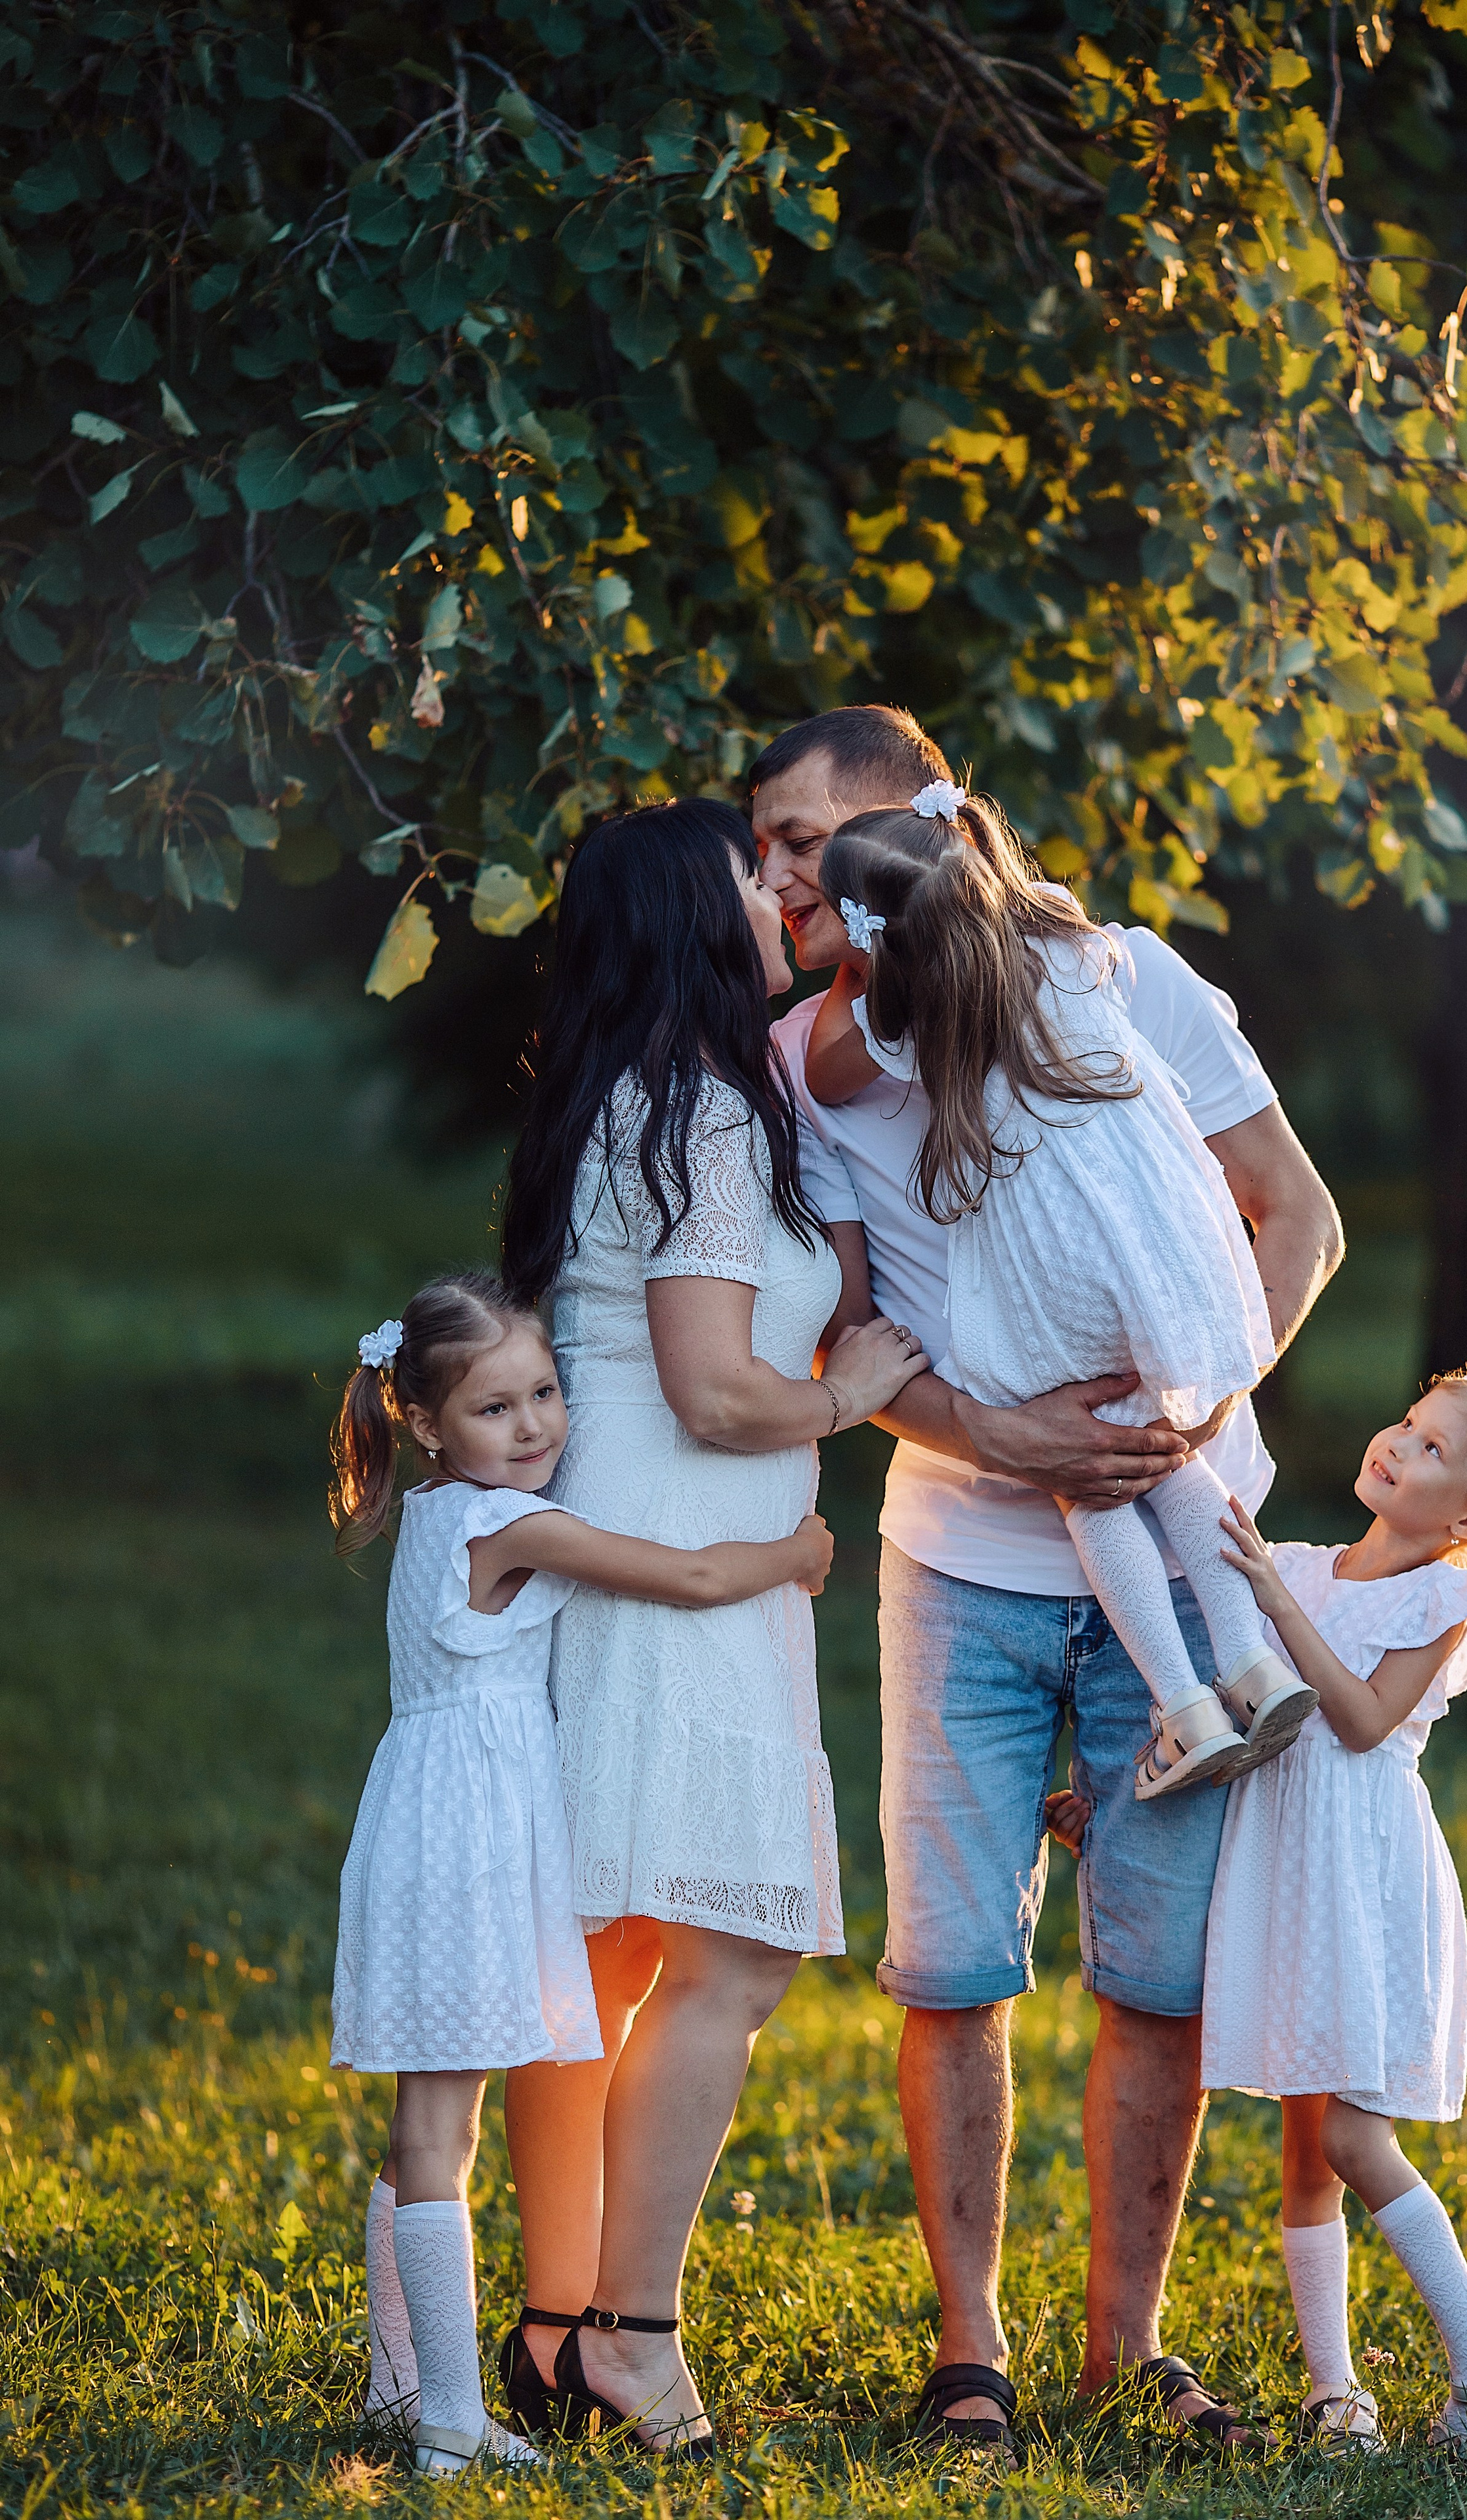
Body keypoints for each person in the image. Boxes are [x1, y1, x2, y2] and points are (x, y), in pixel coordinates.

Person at [756, 704, 1342, 2454]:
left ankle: (1126, 2348)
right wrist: (1010, 1440)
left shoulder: (1129, 977)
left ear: (906, 832)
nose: (777, 874)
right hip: (964, 1567)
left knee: (1156, 1974)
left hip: (1187, 1521)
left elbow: (1292, 1221)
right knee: (954, 1967)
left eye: (802, 838)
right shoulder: (806, 1069)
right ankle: (972, 2355)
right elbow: (854, 1329)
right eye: (769, 844)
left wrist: (1187, 1412)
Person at [495, 799, 928, 2455]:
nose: (781, 891)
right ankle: (634, 2330)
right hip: (678, 1554)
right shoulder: (705, 1115)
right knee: (728, 1951)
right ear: (695, 916)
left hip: (619, 1549)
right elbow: (713, 1384)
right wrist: (849, 1392)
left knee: (599, 1955)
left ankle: (552, 2324)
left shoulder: (613, 1095)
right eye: (755, 875)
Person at [329, 1272, 834, 2477]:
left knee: (425, 2124)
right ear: (430, 1427)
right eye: (497, 1409)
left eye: (547, 1392)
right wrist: (794, 1552)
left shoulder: (445, 1516)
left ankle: (399, 2383)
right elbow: (690, 1578)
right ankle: (451, 2419)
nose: (539, 1425)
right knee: (440, 2128)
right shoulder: (508, 1524)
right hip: (467, 1840)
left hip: (433, 1819)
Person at [807, 786, 1316, 1799]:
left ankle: (1186, 1706)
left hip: (1052, 1281)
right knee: (1169, 1453)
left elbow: (826, 1077)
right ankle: (1254, 1665)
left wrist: (864, 982)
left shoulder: (911, 1018)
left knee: (1091, 1483)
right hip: (1152, 1250)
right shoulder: (1078, 951)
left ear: (879, 944)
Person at [1202, 1366, 1467, 2454]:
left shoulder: (1449, 1600)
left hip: (1363, 1877)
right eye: (1408, 1425)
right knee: (1301, 2143)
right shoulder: (1292, 1565)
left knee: (1350, 2132)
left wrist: (1279, 1608)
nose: (1396, 1444)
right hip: (1285, 1863)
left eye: (1430, 1449)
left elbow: (1365, 1720)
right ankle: (1340, 2396)